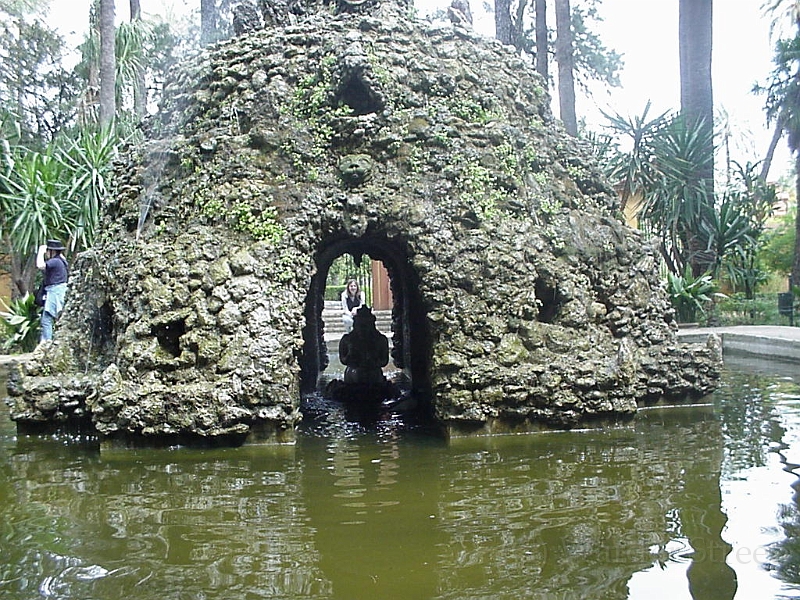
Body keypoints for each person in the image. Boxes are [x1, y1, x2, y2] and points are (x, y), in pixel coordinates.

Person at [338, 306, 389, 386]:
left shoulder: (380, 340)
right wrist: (350, 355)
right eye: (360, 325)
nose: (363, 329)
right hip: (353, 372)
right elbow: (343, 360)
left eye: (366, 325)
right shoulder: (347, 340)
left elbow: (384, 361)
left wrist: (374, 360)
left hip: (373, 372)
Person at [36, 239, 69, 342]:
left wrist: (40, 252)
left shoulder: (55, 261)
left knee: (47, 319)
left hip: (55, 291)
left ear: (52, 252)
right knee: (54, 317)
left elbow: (40, 265)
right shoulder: (61, 260)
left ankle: (47, 342)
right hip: (57, 290)